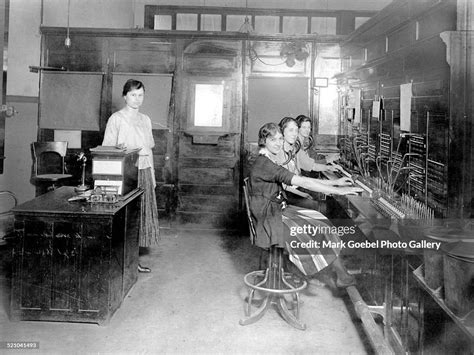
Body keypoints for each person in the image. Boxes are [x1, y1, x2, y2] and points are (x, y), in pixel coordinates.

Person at [248, 122, 362, 287]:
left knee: (320, 219)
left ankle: (335, 273)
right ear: (263, 141)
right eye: (273, 140)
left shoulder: (266, 159)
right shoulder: (266, 164)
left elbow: (303, 180)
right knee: (318, 227)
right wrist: (339, 190)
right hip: (269, 219)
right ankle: (319, 272)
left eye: (280, 138)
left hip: (274, 210)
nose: (278, 143)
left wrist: (336, 184)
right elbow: (302, 182)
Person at [102, 79, 159, 273]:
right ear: (125, 95)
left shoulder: (146, 119)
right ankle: (119, 264)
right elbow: (106, 149)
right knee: (125, 218)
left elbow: (149, 150)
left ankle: (133, 262)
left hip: (144, 169)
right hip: (125, 173)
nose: (137, 99)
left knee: (140, 216)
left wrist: (152, 175)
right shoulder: (116, 118)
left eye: (140, 95)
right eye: (133, 95)